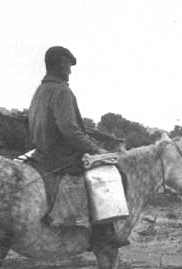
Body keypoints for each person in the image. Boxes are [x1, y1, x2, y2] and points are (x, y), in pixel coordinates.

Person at [28, 46, 129, 249]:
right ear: (59, 65)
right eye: (68, 65)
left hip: (41, 151)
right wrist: (95, 149)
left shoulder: (40, 90)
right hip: (61, 154)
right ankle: (103, 234)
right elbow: (69, 129)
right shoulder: (61, 91)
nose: (70, 70)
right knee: (108, 170)